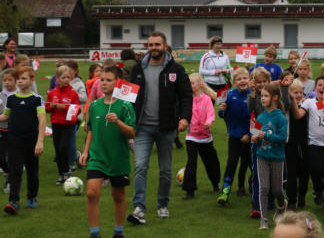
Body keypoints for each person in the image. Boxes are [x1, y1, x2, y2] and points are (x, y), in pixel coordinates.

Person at [127, 31, 192, 225]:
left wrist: (185, 118)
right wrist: (125, 121)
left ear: (164, 46)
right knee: (140, 167)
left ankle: (162, 204)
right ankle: (139, 208)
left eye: (157, 44)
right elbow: (127, 98)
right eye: (150, 45)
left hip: (167, 127)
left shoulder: (177, 69)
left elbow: (186, 96)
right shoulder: (137, 69)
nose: (154, 48)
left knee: (165, 170)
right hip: (142, 127)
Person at [79, 65, 136, 238]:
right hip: (97, 156)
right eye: (101, 79)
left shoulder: (125, 105)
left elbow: (132, 132)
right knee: (91, 193)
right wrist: (85, 151)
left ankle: (118, 232)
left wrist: (118, 122)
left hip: (118, 157)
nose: (103, 83)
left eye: (108, 80)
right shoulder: (94, 105)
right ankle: (94, 233)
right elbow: (90, 130)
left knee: (118, 195)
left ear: (117, 83)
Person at [0, 66, 45, 214]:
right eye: (18, 79)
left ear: (32, 80)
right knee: (15, 171)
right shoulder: (12, 98)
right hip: (14, 140)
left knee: (32, 171)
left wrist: (40, 141)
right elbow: (6, 116)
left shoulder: (37, 99)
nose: (20, 81)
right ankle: (14, 201)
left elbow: (42, 120)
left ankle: (32, 197)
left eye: (23, 78)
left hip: (31, 141)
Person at [252, 83, 288, 230]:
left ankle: (281, 205)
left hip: (277, 157)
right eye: (262, 96)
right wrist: (255, 138)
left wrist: (265, 135)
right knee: (264, 188)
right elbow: (255, 134)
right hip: (262, 156)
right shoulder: (260, 117)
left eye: (266, 96)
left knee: (277, 190)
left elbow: (282, 137)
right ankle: (264, 220)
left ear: (275, 98)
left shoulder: (280, 117)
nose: (262, 98)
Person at [182, 73, 221, 200]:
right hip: (191, 136)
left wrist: (209, 122)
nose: (190, 85)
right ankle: (189, 190)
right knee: (191, 162)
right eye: (188, 83)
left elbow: (211, 114)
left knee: (211, 162)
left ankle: (215, 183)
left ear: (199, 85)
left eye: (192, 83)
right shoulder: (186, 99)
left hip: (205, 137)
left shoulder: (207, 99)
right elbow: (183, 113)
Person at [218, 67, 251, 204]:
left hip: (250, 137)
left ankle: (242, 187)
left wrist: (249, 134)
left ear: (249, 80)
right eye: (239, 79)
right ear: (234, 82)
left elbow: (258, 118)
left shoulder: (254, 95)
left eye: (245, 78)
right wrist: (222, 110)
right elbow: (221, 115)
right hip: (234, 136)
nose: (242, 81)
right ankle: (225, 191)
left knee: (246, 163)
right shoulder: (229, 95)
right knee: (231, 162)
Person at [299, 76, 324, 209]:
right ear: (315, 88)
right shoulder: (309, 103)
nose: (322, 88)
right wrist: (291, 99)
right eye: (320, 85)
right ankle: (318, 189)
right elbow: (298, 114)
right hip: (314, 144)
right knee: (315, 170)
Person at [45, 65, 81, 184]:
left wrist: (64, 107)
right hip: (56, 125)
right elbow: (46, 109)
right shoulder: (52, 93)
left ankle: (66, 171)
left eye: (68, 77)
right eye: (63, 77)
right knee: (58, 151)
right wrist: (51, 106)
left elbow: (77, 109)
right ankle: (61, 174)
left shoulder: (73, 93)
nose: (66, 79)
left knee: (63, 148)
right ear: (58, 79)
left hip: (68, 125)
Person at [248, 66, 271, 218]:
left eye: (265, 81)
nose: (262, 84)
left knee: (270, 172)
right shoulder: (253, 97)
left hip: (270, 138)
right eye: (259, 82)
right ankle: (256, 205)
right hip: (256, 137)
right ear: (254, 83)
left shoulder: (272, 97)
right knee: (257, 173)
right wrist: (252, 93)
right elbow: (250, 112)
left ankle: (270, 201)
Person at [287, 80, 310, 209]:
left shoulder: (306, 105)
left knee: (304, 173)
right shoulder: (287, 105)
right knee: (291, 173)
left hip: (304, 143)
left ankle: (301, 197)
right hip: (290, 143)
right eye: (295, 92)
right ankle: (291, 200)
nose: (299, 95)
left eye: (301, 92)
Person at [1, 69, 18, 194]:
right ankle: (8, 173)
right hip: (2, 128)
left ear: (16, 81)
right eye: (5, 80)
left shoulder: (19, 94)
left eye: (10, 80)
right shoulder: (0, 95)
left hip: (16, 130)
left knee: (13, 157)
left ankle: (11, 179)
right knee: (1, 157)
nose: (7, 83)